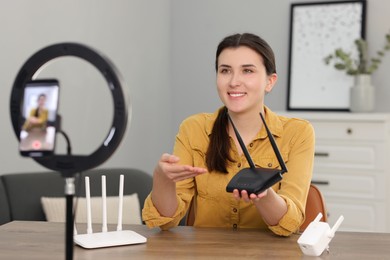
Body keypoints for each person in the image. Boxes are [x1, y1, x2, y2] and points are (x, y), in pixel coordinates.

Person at [142, 33, 315, 237]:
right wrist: (162, 180)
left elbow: (291, 223)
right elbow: (167, 220)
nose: (234, 81)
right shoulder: (193, 128)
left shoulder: (297, 133)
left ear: (270, 81)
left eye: (247, 71)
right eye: (225, 71)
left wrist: (264, 195)